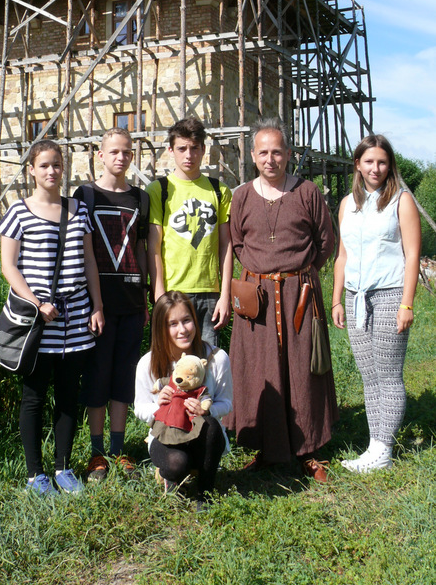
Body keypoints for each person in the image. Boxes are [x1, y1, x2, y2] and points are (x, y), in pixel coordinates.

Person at [225, 117, 338, 481]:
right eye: (263, 153)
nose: (270, 159)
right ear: (253, 156)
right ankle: (266, 447)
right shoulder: (242, 196)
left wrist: (299, 275)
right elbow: (237, 243)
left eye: (277, 152)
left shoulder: (308, 193)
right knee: (260, 371)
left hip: (299, 295)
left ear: (288, 154)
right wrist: (262, 276)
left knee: (303, 369)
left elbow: (325, 242)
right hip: (256, 298)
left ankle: (308, 450)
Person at [0, 140, 104, 495]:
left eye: (56, 164)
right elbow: (9, 266)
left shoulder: (78, 209)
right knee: (34, 397)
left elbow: (89, 261)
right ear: (32, 170)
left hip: (75, 318)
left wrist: (97, 305)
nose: (51, 171)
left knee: (68, 397)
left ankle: (63, 468)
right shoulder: (18, 212)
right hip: (38, 321)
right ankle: (35, 474)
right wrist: (36, 303)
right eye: (44, 165)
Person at [332, 134, 421, 472]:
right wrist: (336, 299)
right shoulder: (347, 204)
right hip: (356, 297)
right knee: (369, 376)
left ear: (390, 165)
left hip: (389, 293)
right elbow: (342, 256)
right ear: (357, 164)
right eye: (369, 161)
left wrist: (406, 304)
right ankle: (374, 446)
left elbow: (412, 256)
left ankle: (384, 449)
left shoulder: (401, 200)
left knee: (388, 373)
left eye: (382, 162)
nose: (375, 168)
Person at [74, 127, 150, 482]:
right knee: (97, 377)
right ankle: (96, 453)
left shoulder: (140, 198)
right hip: (97, 306)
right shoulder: (86, 195)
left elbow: (143, 249)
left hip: (132, 302)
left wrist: (146, 297)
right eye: (114, 151)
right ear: (100, 155)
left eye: (127, 152)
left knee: (124, 378)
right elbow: (81, 251)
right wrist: (94, 304)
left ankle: (118, 450)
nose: (121, 157)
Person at [134, 290, 232, 510]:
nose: (182, 330)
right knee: (177, 463)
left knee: (211, 426)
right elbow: (139, 408)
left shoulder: (217, 358)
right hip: (166, 437)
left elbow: (227, 403)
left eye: (187, 320)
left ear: (195, 321)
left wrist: (206, 410)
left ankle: (205, 494)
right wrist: (158, 407)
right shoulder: (148, 363)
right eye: (173, 324)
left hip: (204, 439)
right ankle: (171, 477)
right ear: (161, 328)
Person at [146, 117, 232, 346]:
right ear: (170, 150)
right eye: (182, 148)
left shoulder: (219, 191)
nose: (189, 155)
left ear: (203, 149)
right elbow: (153, 246)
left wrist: (225, 294)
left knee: (208, 359)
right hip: (173, 293)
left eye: (194, 148)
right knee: (171, 360)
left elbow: (226, 245)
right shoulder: (158, 190)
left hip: (209, 292)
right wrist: (159, 295)